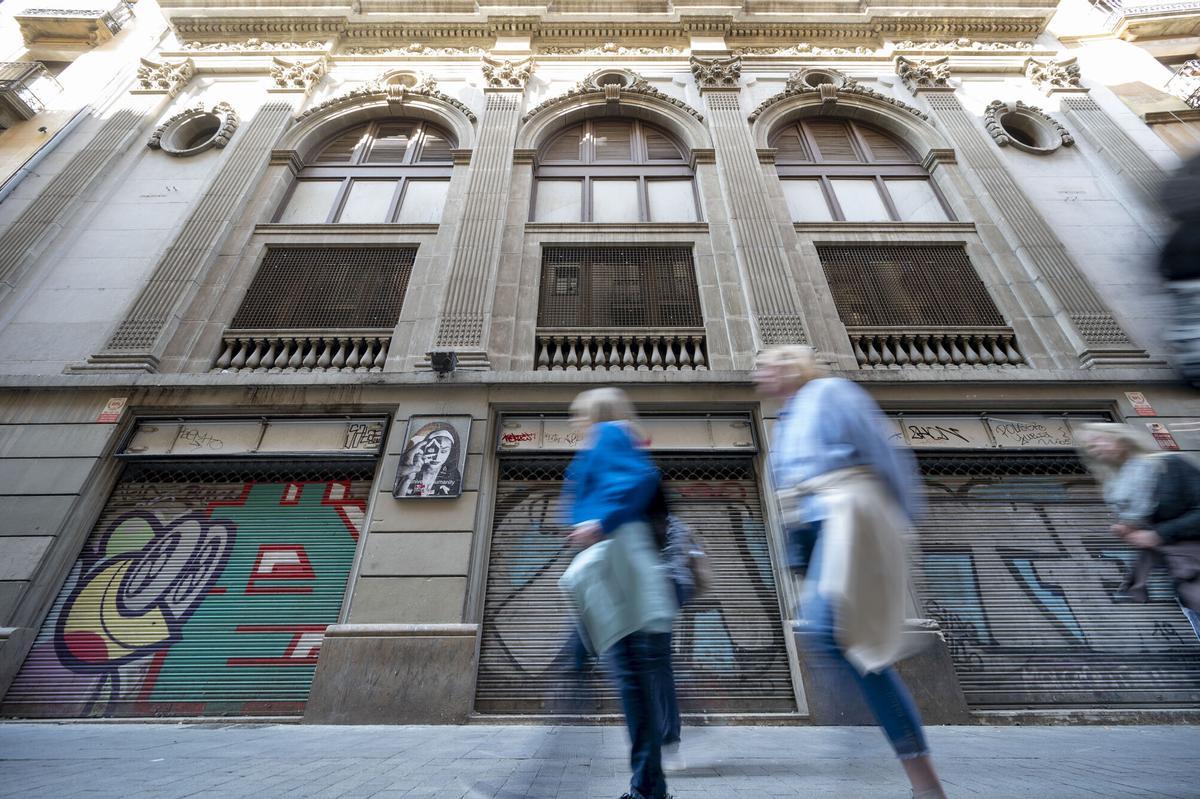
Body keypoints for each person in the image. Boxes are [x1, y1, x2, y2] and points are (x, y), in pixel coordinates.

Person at [754, 345, 946, 799]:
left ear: (789, 366)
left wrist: (903, 521)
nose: (758, 376)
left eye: (764, 366)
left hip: (852, 514)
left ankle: (909, 771)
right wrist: (799, 554)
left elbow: (884, 455)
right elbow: (791, 492)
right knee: (843, 643)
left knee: (835, 636)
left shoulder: (832, 392)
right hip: (820, 527)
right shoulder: (787, 419)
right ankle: (921, 781)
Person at [558, 387, 678, 799]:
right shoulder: (614, 437)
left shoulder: (608, 434)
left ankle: (647, 788)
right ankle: (649, 787)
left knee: (631, 684)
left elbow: (640, 480)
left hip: (618, 571)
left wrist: (600, 522)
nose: (575, 422)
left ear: (595, 412)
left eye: (579, 414)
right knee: (632, 684)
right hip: (614, 571)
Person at [1075, 423, 1200, 637]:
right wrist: (1130, 528)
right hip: (1182, 570)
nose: (1096, 449)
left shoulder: (1169, 465)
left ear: (1121, 437)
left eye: (1099, 440)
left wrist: (1158, 534)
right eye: (1090, 447)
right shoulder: (1118, 486)